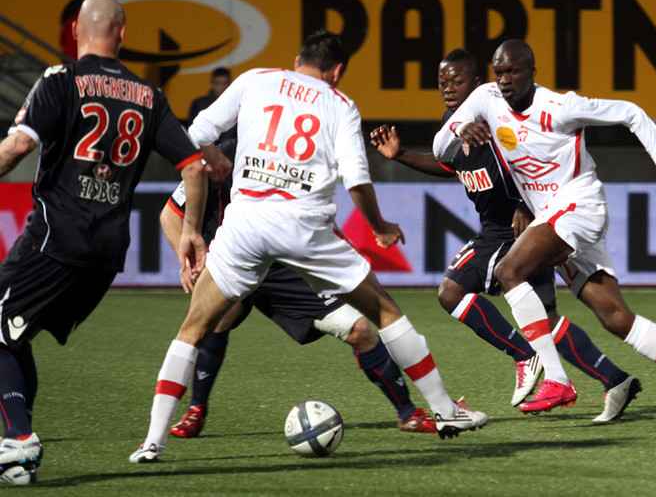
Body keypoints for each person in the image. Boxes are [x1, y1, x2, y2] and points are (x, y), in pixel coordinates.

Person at [130, 30, 486, 464]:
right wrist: (380, 226)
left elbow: (195, 134)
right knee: (385, 312)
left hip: (245, 225)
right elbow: (356, 180)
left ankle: (152, 442)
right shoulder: (340, 104)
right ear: (337, 71)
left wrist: (215, 158)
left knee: (192, 329)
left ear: (297, 59)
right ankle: (446, 411)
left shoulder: (256, 79)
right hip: (305, 228)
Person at [433, 39, 656, 424]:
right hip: (552, 217)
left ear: (532, 72)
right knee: (616, 317)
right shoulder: (486, 98)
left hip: (579, 206)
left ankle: (557, 379)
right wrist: (460, 127)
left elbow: (631, 113)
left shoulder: (561, 107)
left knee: (509, 270)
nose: (506, 80)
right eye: (500, 73)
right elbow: (440, 149)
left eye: (513, 71)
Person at [0, 0, 227, 485]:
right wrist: (191, 232)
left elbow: (17, 147)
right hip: (106, 254)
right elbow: (195, 168)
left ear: (75, 31)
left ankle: (18, 441)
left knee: (0, 327)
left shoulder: (60, 80)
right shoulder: (150, 95)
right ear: (122, 34)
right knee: (16, 335)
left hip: (55, 238)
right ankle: (16, 446)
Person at [370, 48, 641, 421]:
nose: (448, 87)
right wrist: (401, 154)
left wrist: (525, 205)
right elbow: (448, 165)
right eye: (442, 81)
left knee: (452, 292)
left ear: (477, 84)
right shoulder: (456, 124)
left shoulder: (497, 118)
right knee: (544, 319)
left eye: (457, 80)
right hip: (503, 228)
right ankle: (614, 378)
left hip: (513, 227)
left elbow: (532, 162)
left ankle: (525, 355)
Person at [161, 140, 436, 438]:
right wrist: (189, 261)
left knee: (359, 330)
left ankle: (408, 414)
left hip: (284, 266)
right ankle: (196, 410)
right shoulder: (221, 156)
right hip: (233, 260)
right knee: (217, 318)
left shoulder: (298, 151)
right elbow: (169, 214)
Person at [185, 68, 235, 141]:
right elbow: (192, 131)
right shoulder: (200, 104)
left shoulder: (237, 104)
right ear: (212, 85)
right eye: (218, 83)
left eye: (225, 83)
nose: (222, 87)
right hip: (205, 144)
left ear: (230, 84)